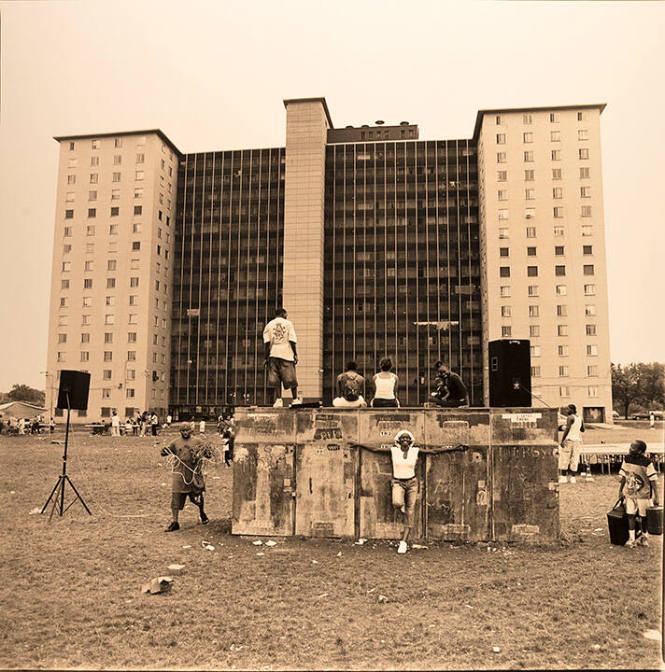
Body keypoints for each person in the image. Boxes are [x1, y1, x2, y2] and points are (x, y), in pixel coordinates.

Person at [351, 430, 468, 554]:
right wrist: (359, 444)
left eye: (407, 438)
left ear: (410, 441)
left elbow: (434, 451)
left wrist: (454, 448)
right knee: (397, 503)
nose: (405, 440)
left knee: (410, 513)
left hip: (412, 483)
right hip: (397, 482)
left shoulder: (415, 451)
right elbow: (375, 449)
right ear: (399, 441)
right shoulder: (394, 450)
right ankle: (403, 511)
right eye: (403, 438)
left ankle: (403, 542)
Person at [160, 423, 213, 531]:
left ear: (191, 431)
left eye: (187, 431)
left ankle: (202, 513)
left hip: (194, 472)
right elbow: (166, 452)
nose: (185, 433)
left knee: (197, 496)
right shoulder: (175, 443)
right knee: (176, 495)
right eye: (182, 431)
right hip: (179, 472)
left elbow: (207, 455)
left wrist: (207, 452)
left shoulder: (198, 442)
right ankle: (175, 522)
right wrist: (164, 451)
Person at [618, 439, 660, 548]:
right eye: (630, 446)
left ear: (640, 451)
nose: (630, 449)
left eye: (633, 447)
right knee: (630, 515)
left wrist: (656, 496)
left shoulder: (647, 463)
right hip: (630, 493)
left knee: (643, 517)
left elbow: (653, 480)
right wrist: (620, 490)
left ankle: (644, 537)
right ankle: (631, 538)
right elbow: (624, 476)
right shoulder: (626, 459)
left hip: (643, 494)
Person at [263, 307, 302, 408]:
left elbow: (267, 343)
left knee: (276, 379)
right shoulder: (288, 324)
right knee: (291, 378)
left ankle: (279, 400)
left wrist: (266, 357)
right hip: (286, 353)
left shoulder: (269, 325)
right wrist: (295, 353)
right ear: (283, 314)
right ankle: (295, 399)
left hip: (273, 353)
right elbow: (292, 340)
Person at [559, 404, 584, 483]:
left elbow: (567, 429)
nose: (566, 411)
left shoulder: (570, 418)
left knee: (564, 458)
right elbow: (583, 429)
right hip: (577, 441)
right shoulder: (580, 418)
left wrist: (562, 440)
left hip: (569, 440)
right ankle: (573, 478)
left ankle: (563, 477)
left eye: (567, 409)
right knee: (575, 458)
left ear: (572, 410)